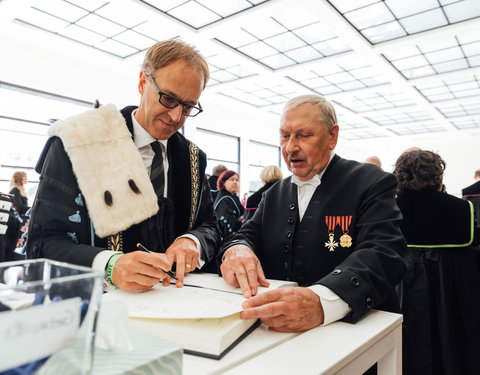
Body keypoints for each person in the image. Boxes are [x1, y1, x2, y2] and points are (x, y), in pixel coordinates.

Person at [25, 39, 221, 290]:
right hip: (99, 309)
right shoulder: (78, 140)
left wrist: (192, 240)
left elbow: (210, 226)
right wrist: (109, 265)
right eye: (168, 99)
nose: (176, 117)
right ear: (142, 82)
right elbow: (42, 243)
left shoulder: (194, 158)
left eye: (188, 107)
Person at [218, 94, 407, 333]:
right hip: (275, 333)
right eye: (285, 136)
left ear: (332, 136)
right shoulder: (273, 194)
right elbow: (247, 234)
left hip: (351, 332)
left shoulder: (371, 182)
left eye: (304, 135)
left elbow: (383, 252)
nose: (290, 147)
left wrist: (321, 302)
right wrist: (238, 249)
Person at [393, 150, 480, 375]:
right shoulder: (462, 209)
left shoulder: (389, 210)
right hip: (451, 296)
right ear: (437, 177)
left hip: (403, 291)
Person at [213, 170, 244, 242]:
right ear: (223, 182)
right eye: (231, 179)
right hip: (228, 240)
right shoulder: (224, 200)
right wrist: (242, 219)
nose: (235, 182)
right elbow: (228, 223)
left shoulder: (233, 197)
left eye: (237, 180)